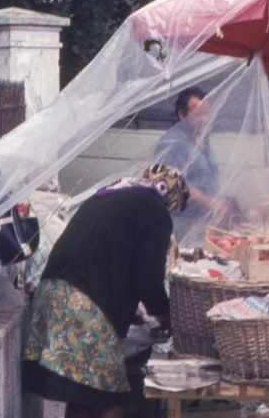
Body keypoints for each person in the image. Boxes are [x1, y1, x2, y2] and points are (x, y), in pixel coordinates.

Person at [23, 165, 190, 418]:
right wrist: (167, 314)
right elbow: (147, 279)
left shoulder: (114, 193)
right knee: (112, 398)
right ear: (172, 196)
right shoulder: (156, 212)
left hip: (53, 293)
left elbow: (112, 255)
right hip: (84, 305)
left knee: (82, 393)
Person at [153, 87, 225, 242]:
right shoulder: (173, 142)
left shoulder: (203, 139)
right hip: (181, 226)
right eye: (198, 114)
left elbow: (207, 175)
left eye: (207, 114)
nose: (205, 119)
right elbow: (175, 186)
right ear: (181, 114)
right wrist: (212, 203)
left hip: (203, 223)